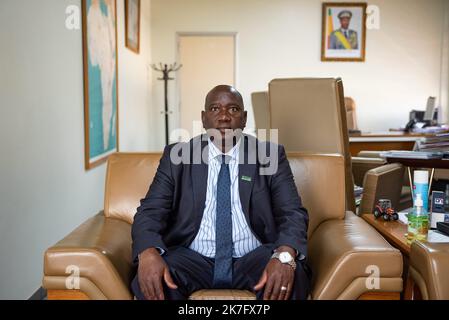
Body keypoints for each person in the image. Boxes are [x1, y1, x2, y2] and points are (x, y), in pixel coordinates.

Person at [131, 85, 311, 300]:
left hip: (253, 257)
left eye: (233, 109)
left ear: (244, 119)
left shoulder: (269, 155)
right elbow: (150, 211)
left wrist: (284, 256)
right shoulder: (177, 156)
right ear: (204, 118)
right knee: (152, 280)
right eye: (215, 109)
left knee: (291, 276)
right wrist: (148, 251)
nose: (224, 117)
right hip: (193, 258)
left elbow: (292, 212)